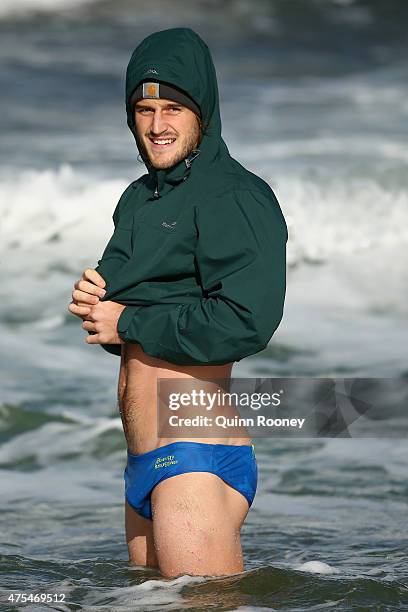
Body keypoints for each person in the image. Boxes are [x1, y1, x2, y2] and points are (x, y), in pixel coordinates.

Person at [68, 27, 287, 578]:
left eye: (172, 109)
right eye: (144, 109)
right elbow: (130, 326)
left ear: (202, 112)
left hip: (194, 451)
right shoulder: (140, 198)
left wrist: (129, 320)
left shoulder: (234, 195)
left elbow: (246, 320)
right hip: (144, 461)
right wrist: (97, 306)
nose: (157, 125)